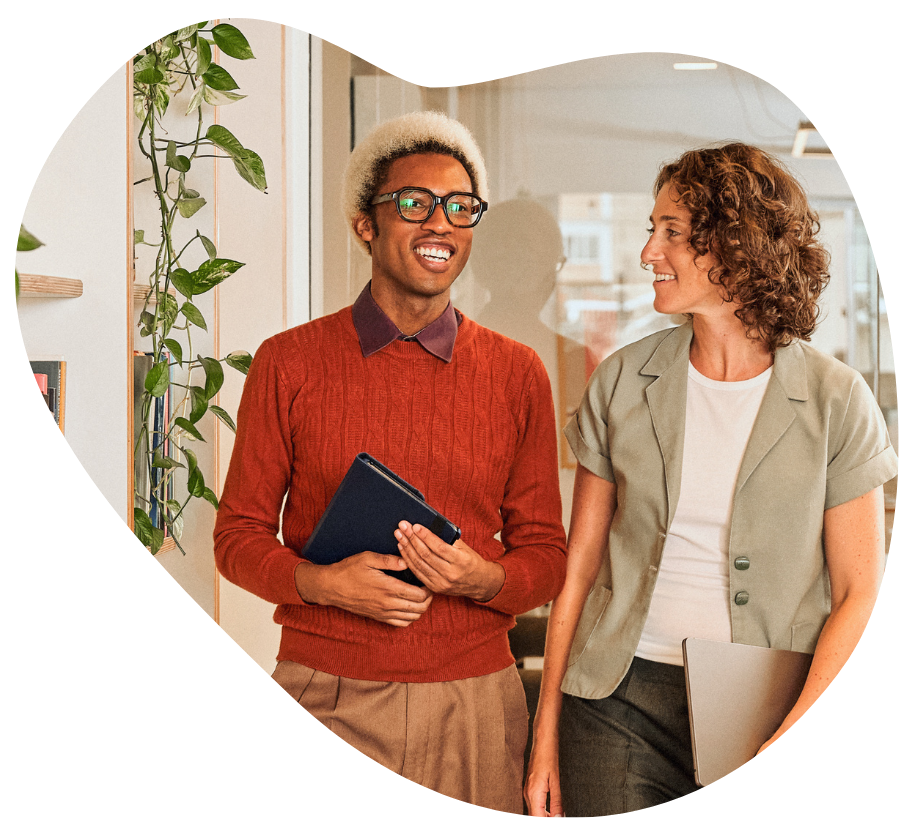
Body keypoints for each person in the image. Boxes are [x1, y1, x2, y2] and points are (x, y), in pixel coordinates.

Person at [524, 142, 899, 817]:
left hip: (766, 705)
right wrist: (544, 733)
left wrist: (803, 732)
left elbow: (857, 591)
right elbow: (577, 568)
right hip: (616, 700)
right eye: (651, 229)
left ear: (735, 245)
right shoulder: (620, 381)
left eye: (671, 232)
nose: (648, 253)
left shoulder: (835, 399)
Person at [214, 111, 567, 816]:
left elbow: (546, 555)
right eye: (414, 202)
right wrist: (320, 583)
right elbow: (236, 537)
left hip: (474, 702)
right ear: (364, 225)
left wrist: (485, 577)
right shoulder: (288, 362)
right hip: (326, 695)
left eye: (461, 208)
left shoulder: (517, 372)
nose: (440, 223)